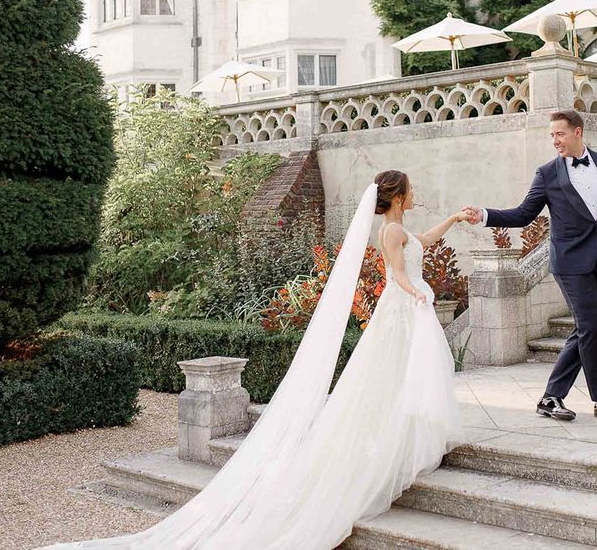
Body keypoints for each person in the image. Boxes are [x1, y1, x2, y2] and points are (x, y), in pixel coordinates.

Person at [37, 171, 467, 550]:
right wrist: (420, 294)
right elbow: (399, 275)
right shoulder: (390, 233)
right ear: (396, 197)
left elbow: (423, 243)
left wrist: (453, 220)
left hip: (405, 311)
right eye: (411, 190)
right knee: (388, 374)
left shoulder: (402, 228)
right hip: (401, 309)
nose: (415, 194)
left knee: (397, 374)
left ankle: (398, 423)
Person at [464, 110, 597, 423]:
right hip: (569, 263)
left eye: (560, 134)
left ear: (578, 132)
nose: (555, 140)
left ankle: (550, 397)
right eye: (552, 135)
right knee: (591, 327)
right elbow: (523, 214)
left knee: (587, 329)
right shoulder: (547, 173)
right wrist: (486, 215)